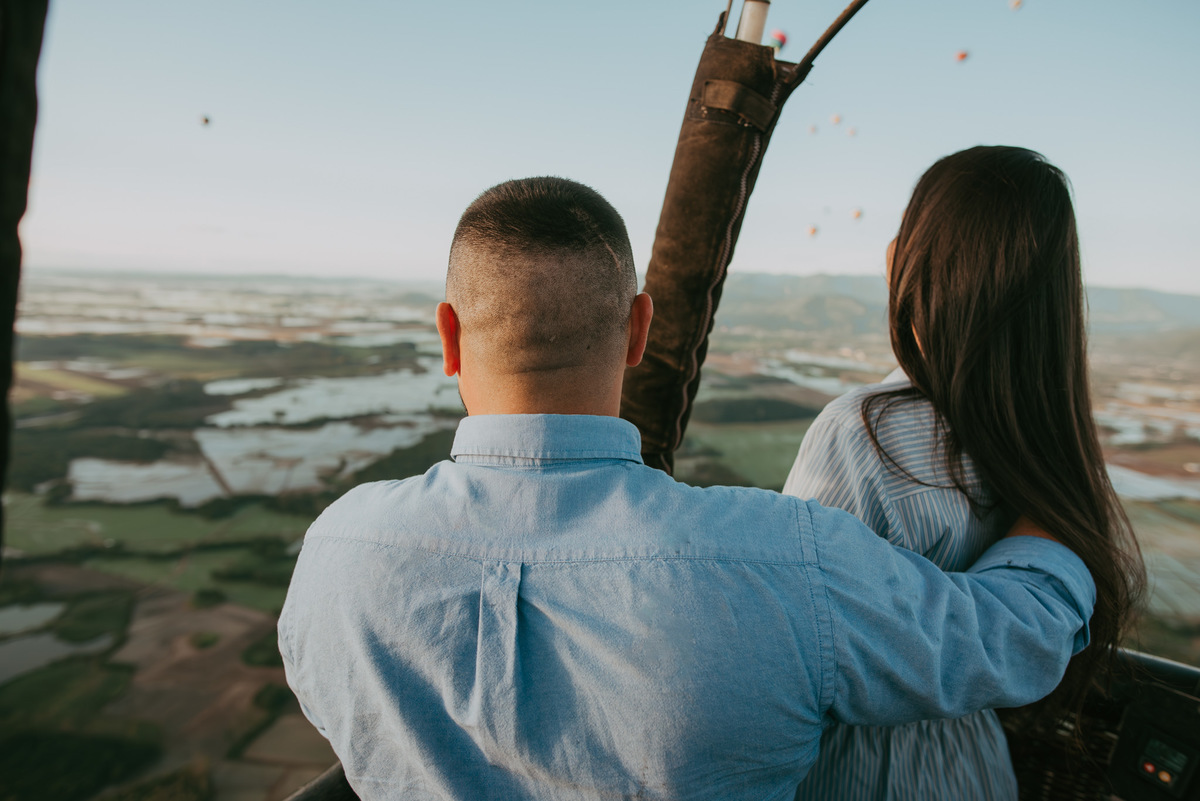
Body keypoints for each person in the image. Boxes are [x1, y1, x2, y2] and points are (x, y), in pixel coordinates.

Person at [278, 176, 1096, 801]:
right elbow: (1010, 636)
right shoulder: (784, 563)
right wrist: (1050, 491)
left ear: (448, 337)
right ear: (640, 329)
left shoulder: (336, 560)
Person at [785, 146, 1145, 801]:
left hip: (860, 776)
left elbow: (796, 647)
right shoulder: (1046, 439)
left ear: (910, 262)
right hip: (976, 769)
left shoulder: (864, 433)